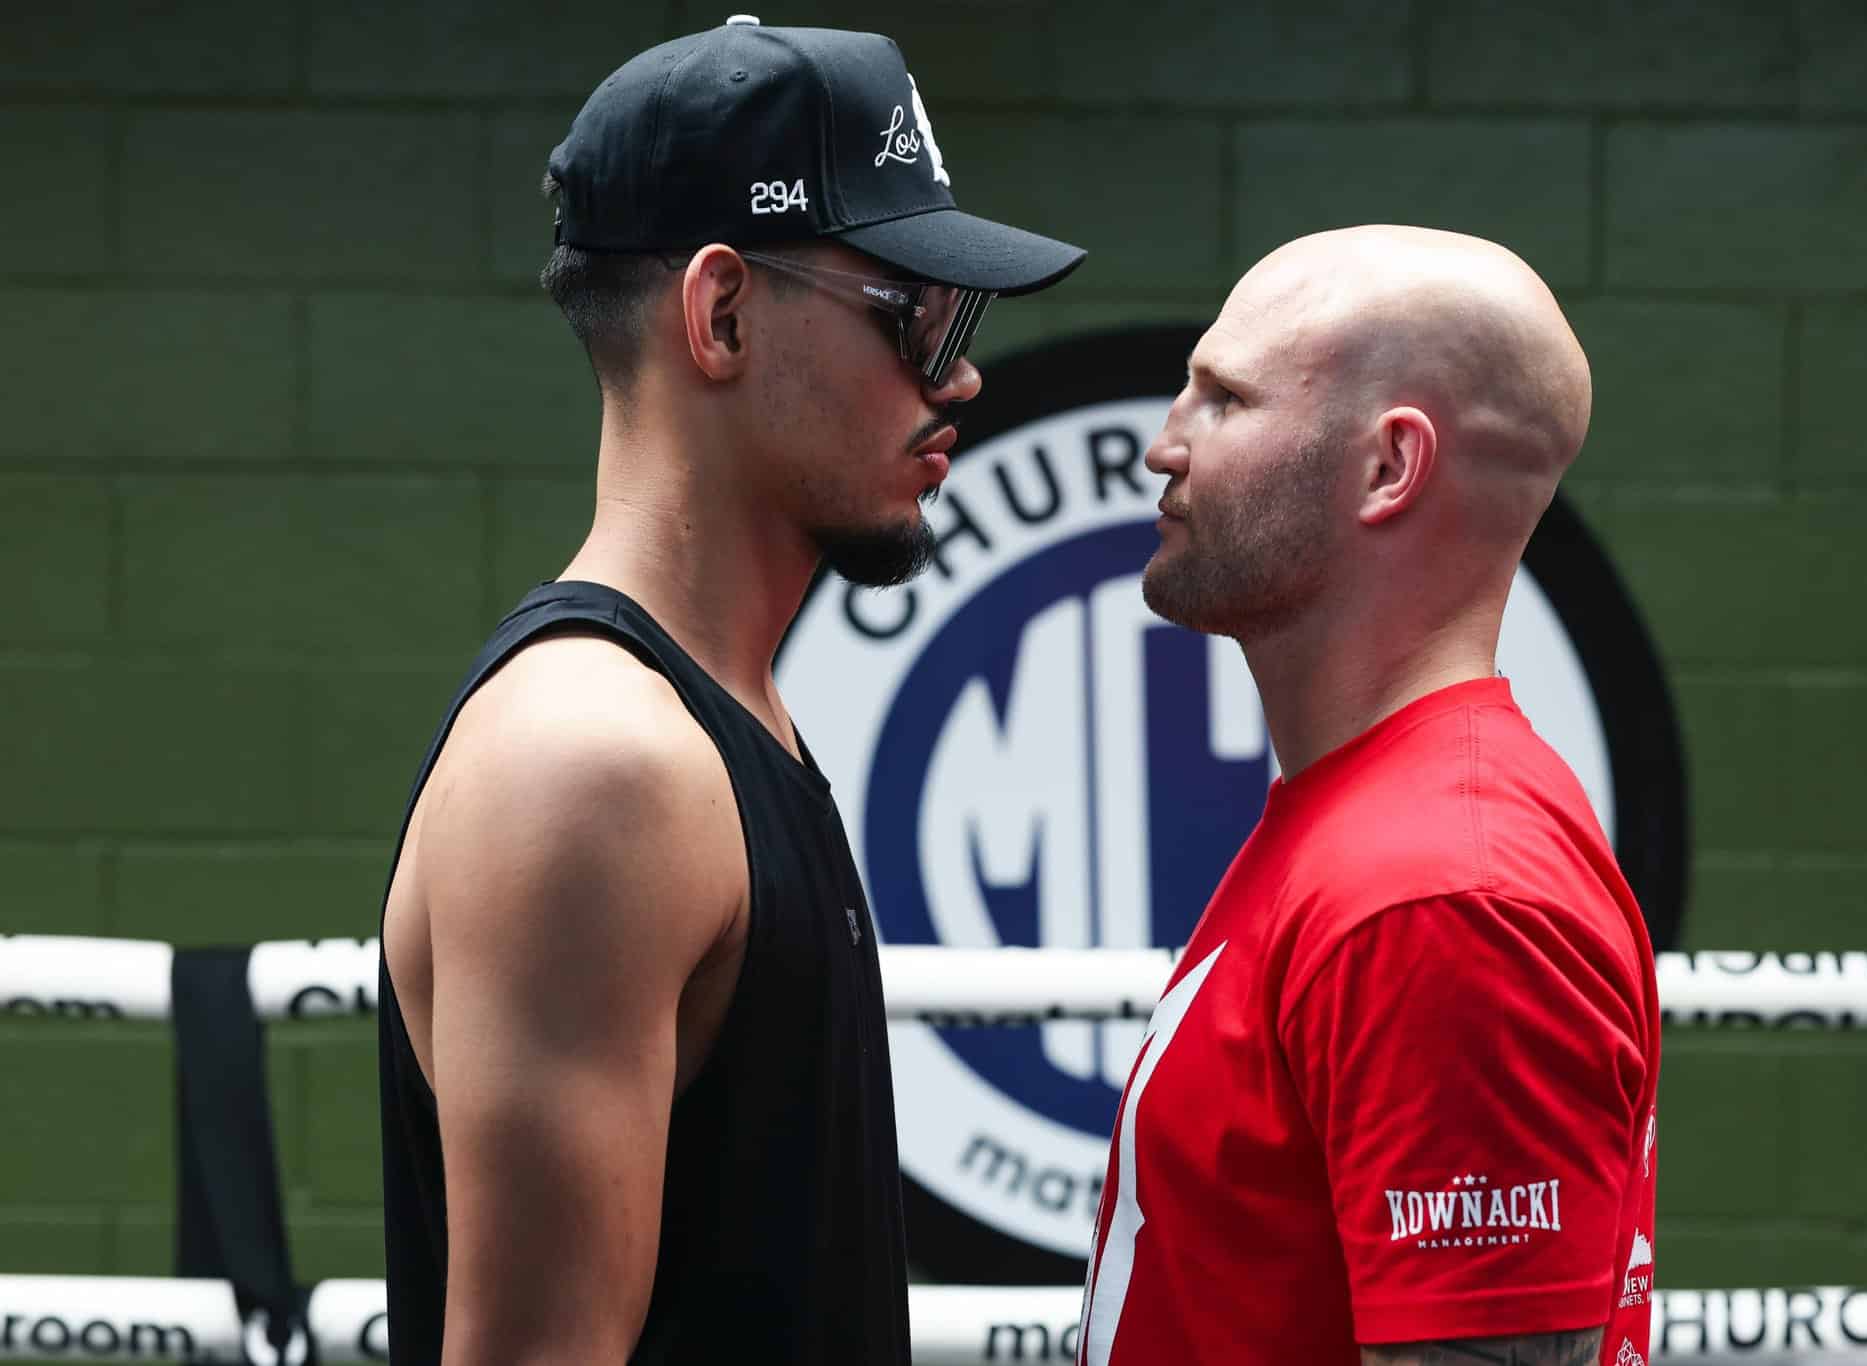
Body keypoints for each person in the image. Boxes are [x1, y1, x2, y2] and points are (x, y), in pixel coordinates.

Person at [374, 17, 1084, 1364]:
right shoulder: (595, 763)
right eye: (911, 315)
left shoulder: (718, 720)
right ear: (723, 313)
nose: (961, 374)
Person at [1078, 226, 1660, 1366]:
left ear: (1388, 467)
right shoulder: (1370, 829)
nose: (1161, 447)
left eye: (1224, 400)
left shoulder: (1437, 889)